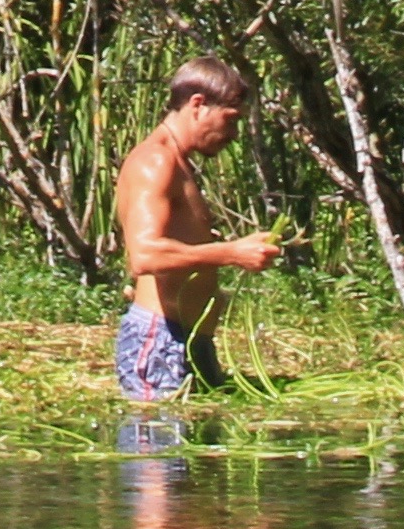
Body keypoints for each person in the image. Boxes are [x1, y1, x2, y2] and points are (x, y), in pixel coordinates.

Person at [109, 56, 280, 402]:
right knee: (159, 450)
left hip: (191, 340)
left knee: (195, 452)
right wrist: (232, 253)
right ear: (198, 104)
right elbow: (143, 256)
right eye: (229, 120)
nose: (232, 135)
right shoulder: (155, 161)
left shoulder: (179, 164)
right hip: (159, 341)